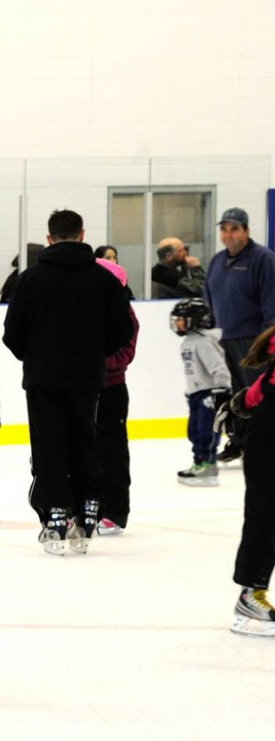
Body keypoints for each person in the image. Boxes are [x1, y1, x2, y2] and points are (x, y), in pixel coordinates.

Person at [2, 209, 134, 555]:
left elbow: (12, 333)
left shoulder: (30, 279)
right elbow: (123, 328)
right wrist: (92, 354)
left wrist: (36, 356)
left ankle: (56, 516)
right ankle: (88, 511)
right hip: (87, 376)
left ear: (49, 238)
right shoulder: (102, 279)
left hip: (43, 376)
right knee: (84, 440)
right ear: (81, 234)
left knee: (49, 445)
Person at [204, 208, 275, 464]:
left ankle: (261, 442)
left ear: (246, 230)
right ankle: (238, 442)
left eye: (234, 228)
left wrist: (267, 341)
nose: (228, 234)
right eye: (224, 229)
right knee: (233, 394)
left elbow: (271, 301)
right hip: (223, 339)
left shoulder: (262, 259)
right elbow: (209, 297)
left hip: (253, 340)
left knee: (256, 393)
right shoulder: (217, 261)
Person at [218, 323, 275, 636]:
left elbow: (263, 385)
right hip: (268, 438)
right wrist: (245, 404)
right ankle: (250, 593)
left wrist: (244, 402)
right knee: (265, 512)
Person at [93, 257, 139, 536]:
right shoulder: (89, 309)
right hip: (86, 389)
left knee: (113, 452)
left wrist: (93, 362)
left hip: (112, 390)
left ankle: (115, 510)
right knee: (89, 451)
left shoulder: (125, 315)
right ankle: (93, 506)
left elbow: (124, 354)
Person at [170, 297, 231, 487]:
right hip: (196, 394)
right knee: (194, 431)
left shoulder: (204, 342)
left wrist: (220, 392)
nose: (177, 323)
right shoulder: (189, 342)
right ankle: (199, 462)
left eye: (181, 319)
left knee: (206, 431)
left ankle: (208, 465)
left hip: (209, 394)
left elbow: (219, 369)